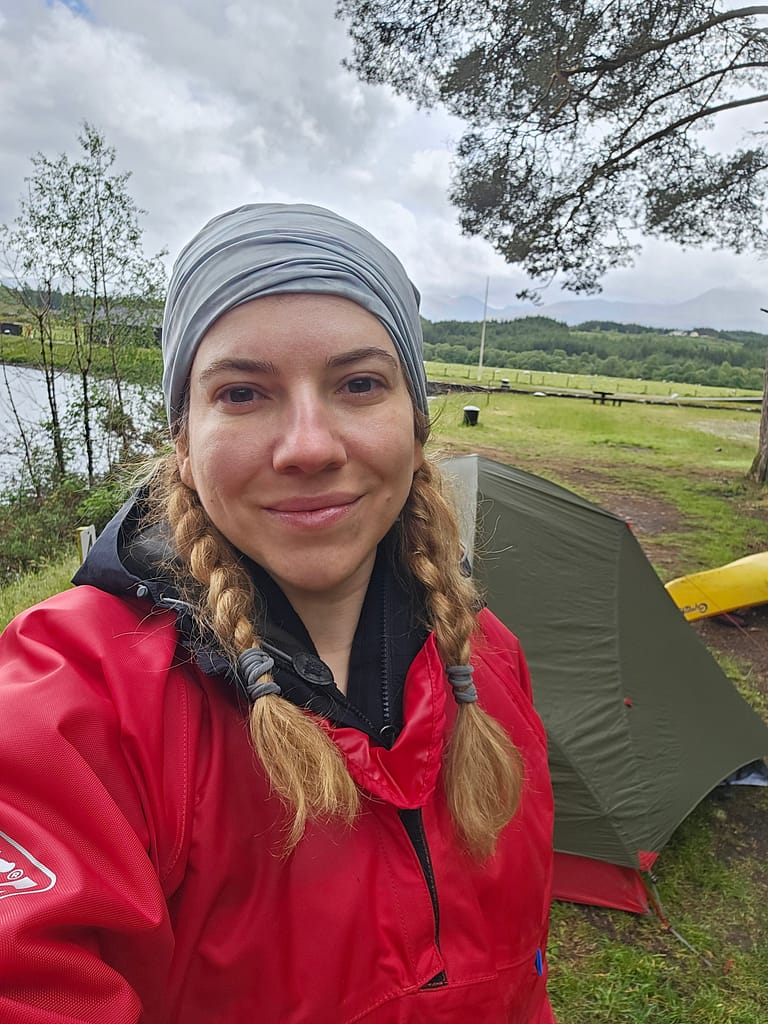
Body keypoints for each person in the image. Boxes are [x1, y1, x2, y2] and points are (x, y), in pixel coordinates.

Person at [0, 204, 555, 1023]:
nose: (308, 446)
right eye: (244, 392)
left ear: (416, 420)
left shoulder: (489, 663)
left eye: (359, 384)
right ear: (185, 440)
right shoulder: (74, 704)